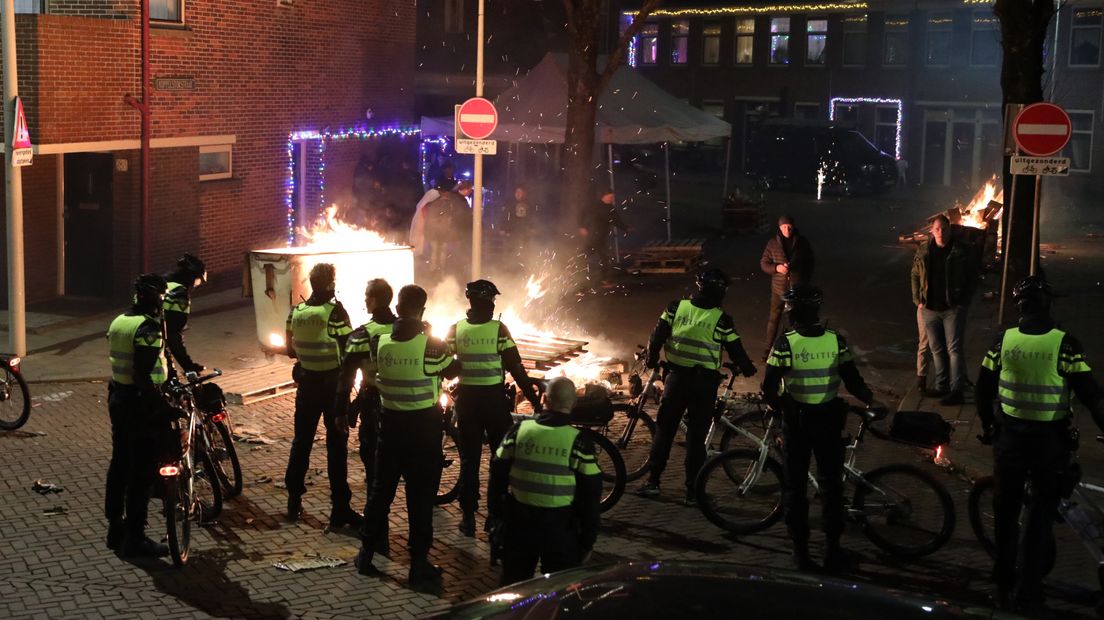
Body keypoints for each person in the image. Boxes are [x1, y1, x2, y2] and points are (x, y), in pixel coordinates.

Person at [975, 276, 1104, 613]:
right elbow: (1092, 395)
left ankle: (1002, 583)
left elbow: (982, 388)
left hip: (1009, 442)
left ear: (1020, 306)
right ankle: (1029, 593)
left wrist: (988, 424)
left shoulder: (1003, 341)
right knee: (1039, 518)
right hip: (1048, 445)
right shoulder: (1065, 344)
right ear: (1047, 304)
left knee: (1005, 515)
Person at [761, 284, 884, 572]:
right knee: (831, 488)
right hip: (829, 421)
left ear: (795, 313)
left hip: (797, 423)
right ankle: (833, 551)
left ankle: (801, 553)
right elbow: (852, 379)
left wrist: (781, 410)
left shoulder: (785, 343)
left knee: (796, 489)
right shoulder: (835, 341)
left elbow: (768, 387)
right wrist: (871, 400)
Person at [355, 285, 460, 584]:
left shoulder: (379, 341)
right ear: (421, 310)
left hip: (388, 428)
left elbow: (371, 377)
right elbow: (452, 370)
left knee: (380, 494)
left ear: (398, 308)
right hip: (422, 431)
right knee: (420, 498)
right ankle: (418, 564)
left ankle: (366, 554)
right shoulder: (431, 345)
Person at [638, 268, 756, 503]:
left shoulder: (675, 307)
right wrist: (748, 368)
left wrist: (651, 359)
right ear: (719, 291)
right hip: (704, 385)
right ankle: (693, 490)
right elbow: (736, 350)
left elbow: (657, 335)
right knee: (696, 437)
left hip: (676, 379)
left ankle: (653, 482)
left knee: (665, 430)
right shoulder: (721, 319)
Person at [446, 279, 541, 537]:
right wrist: (533, 399)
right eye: (492, 300)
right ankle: (496, 516)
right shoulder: (499, 330)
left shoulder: (456, 329)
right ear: (487, 301)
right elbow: (516, 367)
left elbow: (444, 365)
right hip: (494, 402)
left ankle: (467, 517)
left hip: (467, 402)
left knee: (469, 460)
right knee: (500, 460)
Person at [488, 376, 602, 585]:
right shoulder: (579, 442)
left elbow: (497, 473)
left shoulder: (519, 431)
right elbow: (591, 495)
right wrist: (587, 540)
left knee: (513, 588)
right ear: (574, 403)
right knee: (559, 592)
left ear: (546, 400)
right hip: (560, 529)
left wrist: (496, 517)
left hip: (519, 524)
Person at [283, 263, 360, 528]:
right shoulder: (336, 312)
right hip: (333, 388)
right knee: (336, 446)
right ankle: (340, 507)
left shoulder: (296, 311)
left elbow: (289, 349)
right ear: (330, 284)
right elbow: (349, 350)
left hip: (306, 385)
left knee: (301, 442)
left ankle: (294, 500)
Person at [105, 273, 171, 557]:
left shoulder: (120, 321)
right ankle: (136, 536)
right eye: (161, 297)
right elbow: (143, 373)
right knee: (141, 470)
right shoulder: (147, 328)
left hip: (118, 398)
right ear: (154, 297)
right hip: (140, 404)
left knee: (119, 463)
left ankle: (115, 527)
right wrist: (163, 405)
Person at [334, 278, 396, 548]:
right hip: (403, 410)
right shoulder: (407, 330)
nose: (364, 301)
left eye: (367, 296)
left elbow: (345, 377)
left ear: (375, 300)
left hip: (373, 409)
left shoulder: (361, 335)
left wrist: (340, 411)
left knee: (375, 475)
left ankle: (376, 535)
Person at [911, 214, 974, 405]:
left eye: (944, 229)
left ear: (950, 229)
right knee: (937, 349)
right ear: (931, 231)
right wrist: (917, 299)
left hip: (951, 308)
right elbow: (914, 273)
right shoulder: (924, 250)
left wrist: (963, 300)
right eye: (937, 229)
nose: (941, 232)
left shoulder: (959, 251)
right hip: (929, 308)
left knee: (954, 349)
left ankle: (956, 390)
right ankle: (942, 386)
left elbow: (972, 276)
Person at [759, 214, 815, 362]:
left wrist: (804, 281)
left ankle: (800, 351)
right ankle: (767, 350)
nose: (787, 229)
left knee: (798, 319)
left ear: (794, 226)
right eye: (784, 227)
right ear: (779, 227)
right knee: (774, 319)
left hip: (797, 290)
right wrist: (776, 268)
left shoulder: (802, 242)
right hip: (778, 288)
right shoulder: (772, 244)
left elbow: (810, 262)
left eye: (789, 226)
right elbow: (764, 264)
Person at [162, 253, 207, 373]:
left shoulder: (161, 283)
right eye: (198, 281)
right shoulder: (179, 294)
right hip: (151, 341)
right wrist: (188, 366)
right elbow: (173, 334)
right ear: (191, 276)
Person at [578, 186, 627, 288]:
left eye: (612, 197)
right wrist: (582, 226)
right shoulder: (593, 206)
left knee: (605, 258)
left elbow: (616, 220)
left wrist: (626, 228)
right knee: (583, 257)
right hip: (592, 237)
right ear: (604, 196)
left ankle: (604, 281)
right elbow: (582, 213)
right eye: (610, 196)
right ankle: (577, 279)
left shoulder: (610, 208)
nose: (612, 198)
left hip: (602, 238)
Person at [503, 184, 536, 256]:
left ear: (523, 194)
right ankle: (512, 264)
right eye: (516, 192)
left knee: (524, 250)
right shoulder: (511, 204)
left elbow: (531, 217)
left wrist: (532, 227)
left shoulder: (528, 204)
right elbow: (506, 216)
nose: (518, 194)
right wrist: (505, 229)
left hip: (524, 232)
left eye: (520, 192)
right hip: (513, 232)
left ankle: (524, 264)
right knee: (512, 250)